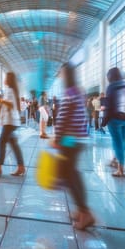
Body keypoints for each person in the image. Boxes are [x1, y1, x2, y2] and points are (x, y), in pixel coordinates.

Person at [52, 64, 95, 230]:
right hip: (78, 138)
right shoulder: (79, 91)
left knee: (68, 175)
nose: (61, 76)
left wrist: (57, 138)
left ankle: (85, 213)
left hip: (69, 139)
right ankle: (81, 210)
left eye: (62, 73)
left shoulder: (69, 92)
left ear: (66, 75)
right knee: (73, 173)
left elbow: (63, 117)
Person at [102, 67, 125, 177]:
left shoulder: (111, 87)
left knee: (117, 142)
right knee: (122, 141)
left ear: (110, 77)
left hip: (115, 119)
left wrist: (104, 120)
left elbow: (108, 105)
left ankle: (121, 169)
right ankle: (115, 160)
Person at [0, 72, 25, 177]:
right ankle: (21, 167)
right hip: (11, 121)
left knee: (1, 143)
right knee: (13, 144)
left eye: (5, 77)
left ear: (8, 79)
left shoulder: (9, 90)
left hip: (10, 121)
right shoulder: (11, 90)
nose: (4, 79)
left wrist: (1, 100)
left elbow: (10, 104)